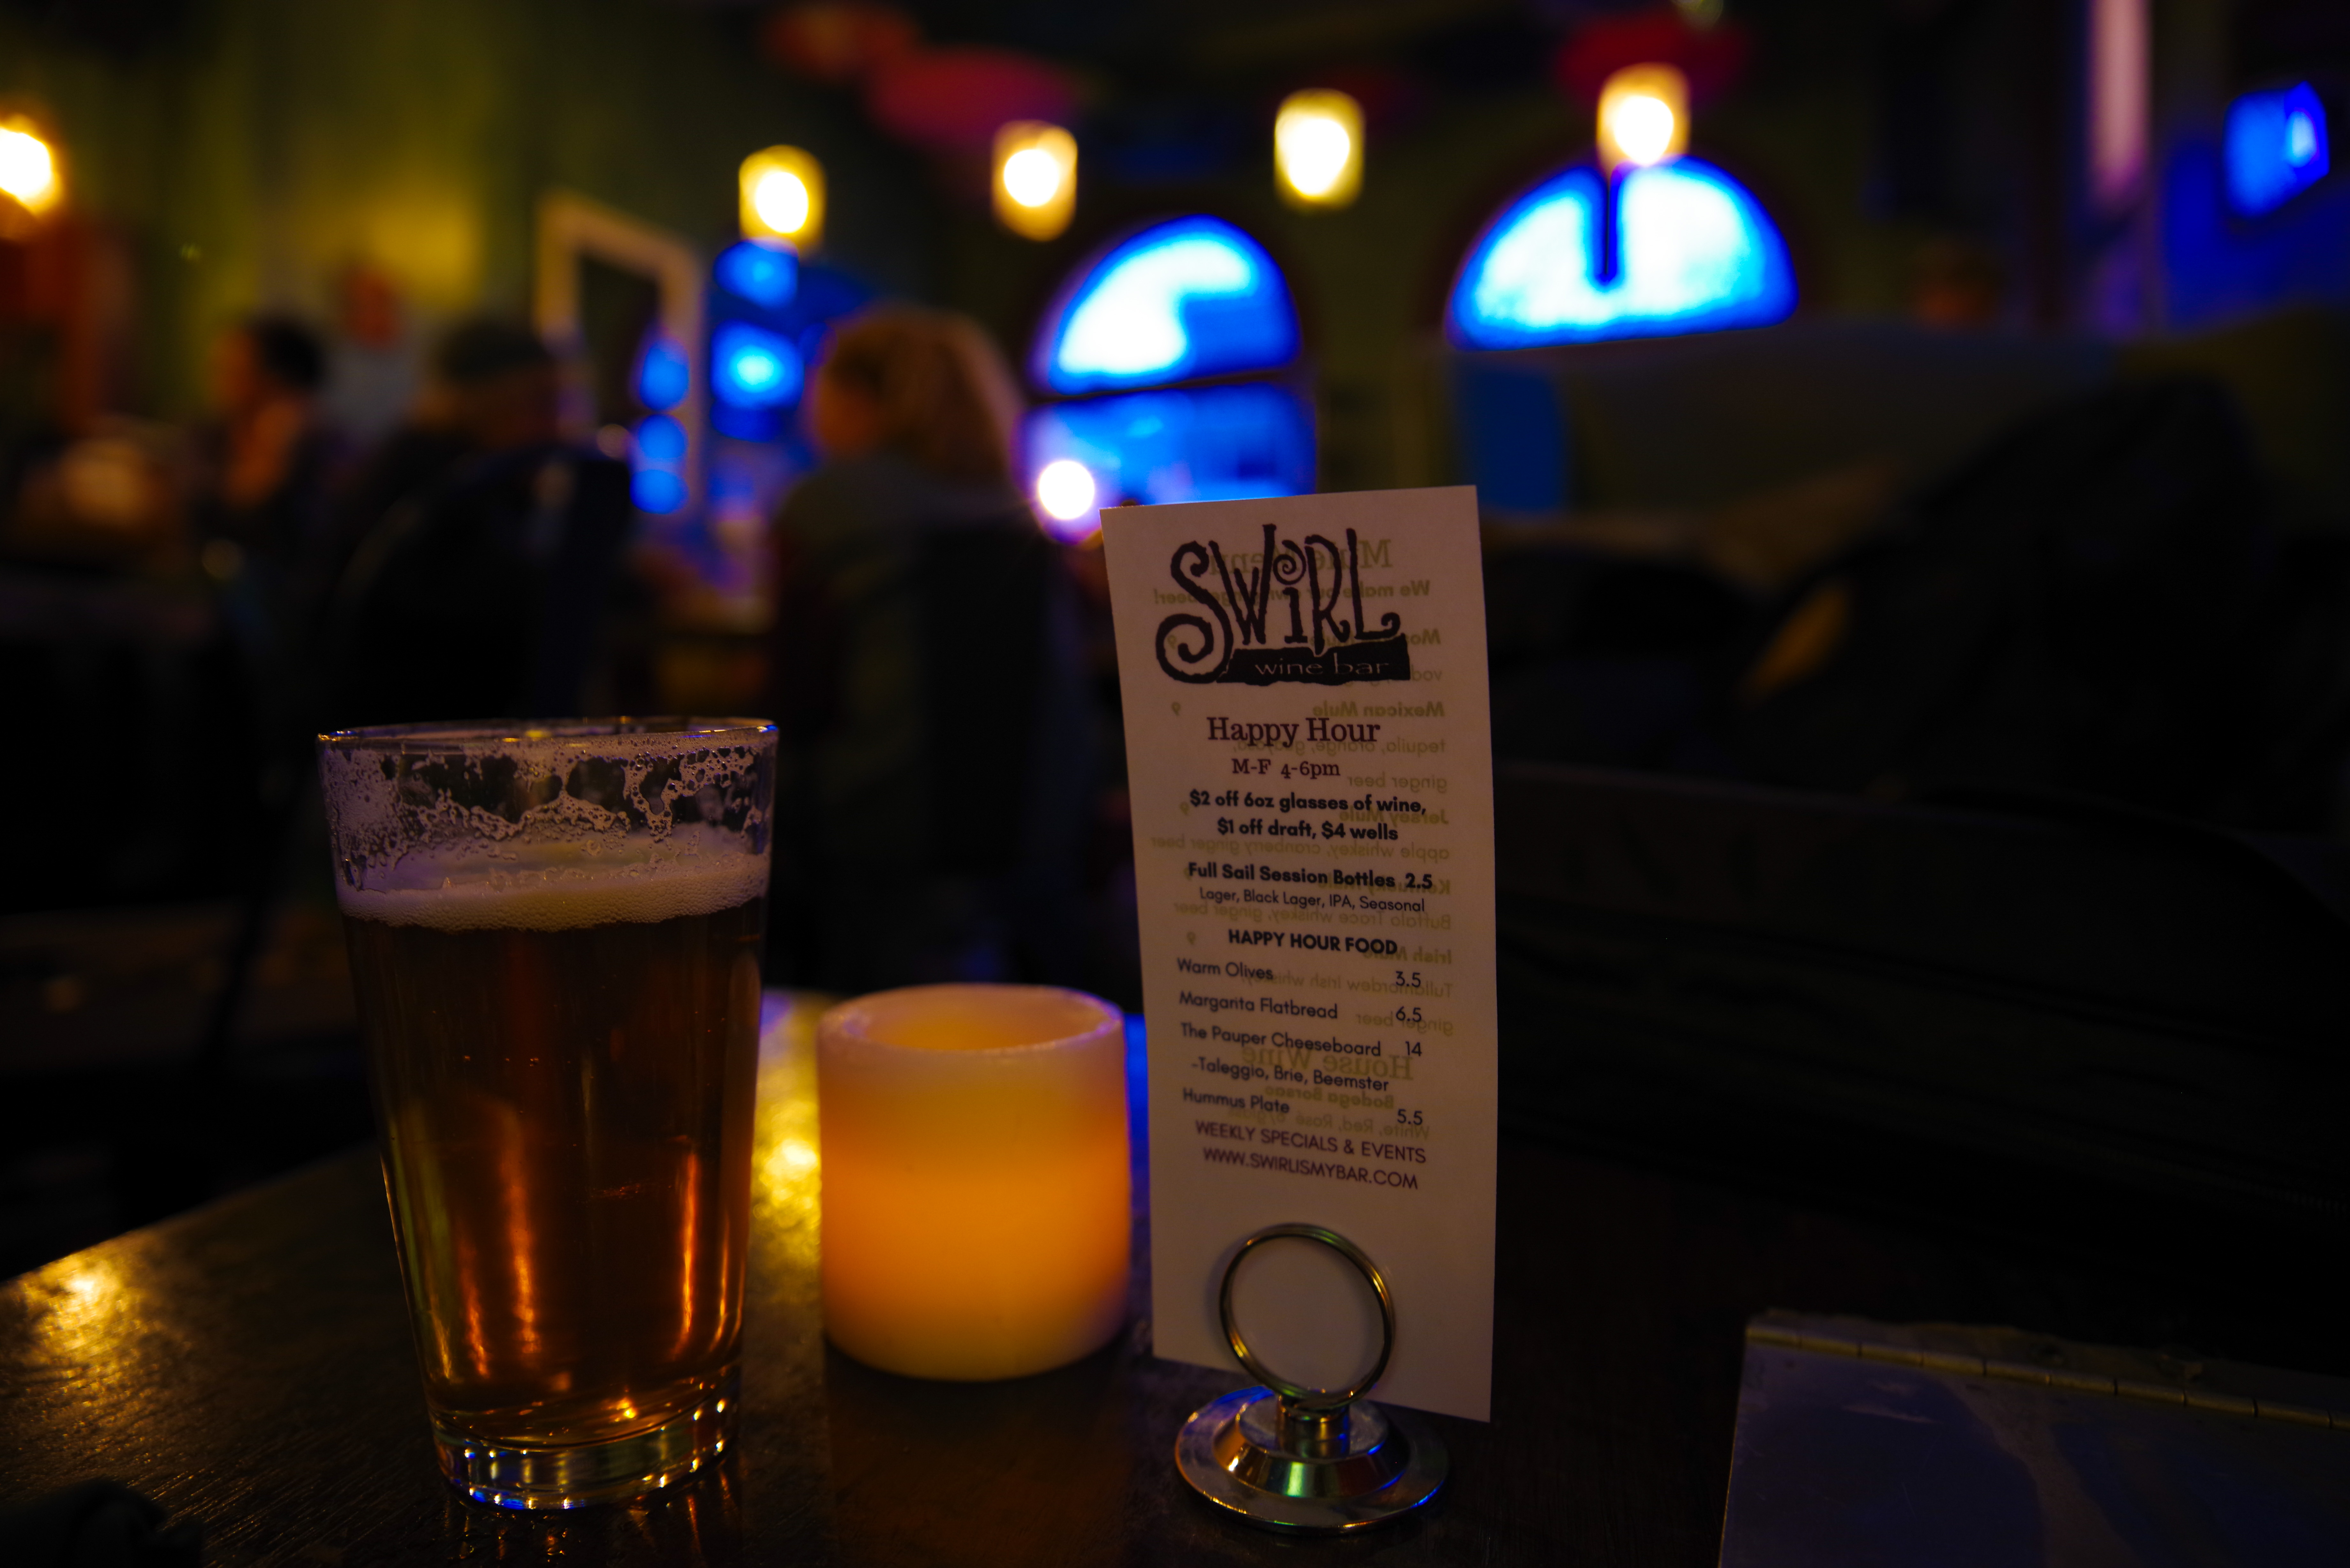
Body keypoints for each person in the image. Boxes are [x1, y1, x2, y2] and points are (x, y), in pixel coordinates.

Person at [762, 306, 1089, 991]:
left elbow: (796, 703)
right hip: (1034, 849)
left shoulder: (824, 503)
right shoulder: (1016, 509)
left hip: (873, 846)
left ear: (857, 397)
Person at [322, 319, 633, 729]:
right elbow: (500, 609)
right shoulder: (442, 484)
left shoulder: (433, 466)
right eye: (542, 403)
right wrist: (626, 583)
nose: (557, 427)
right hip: (409, 734)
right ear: (485, 401)